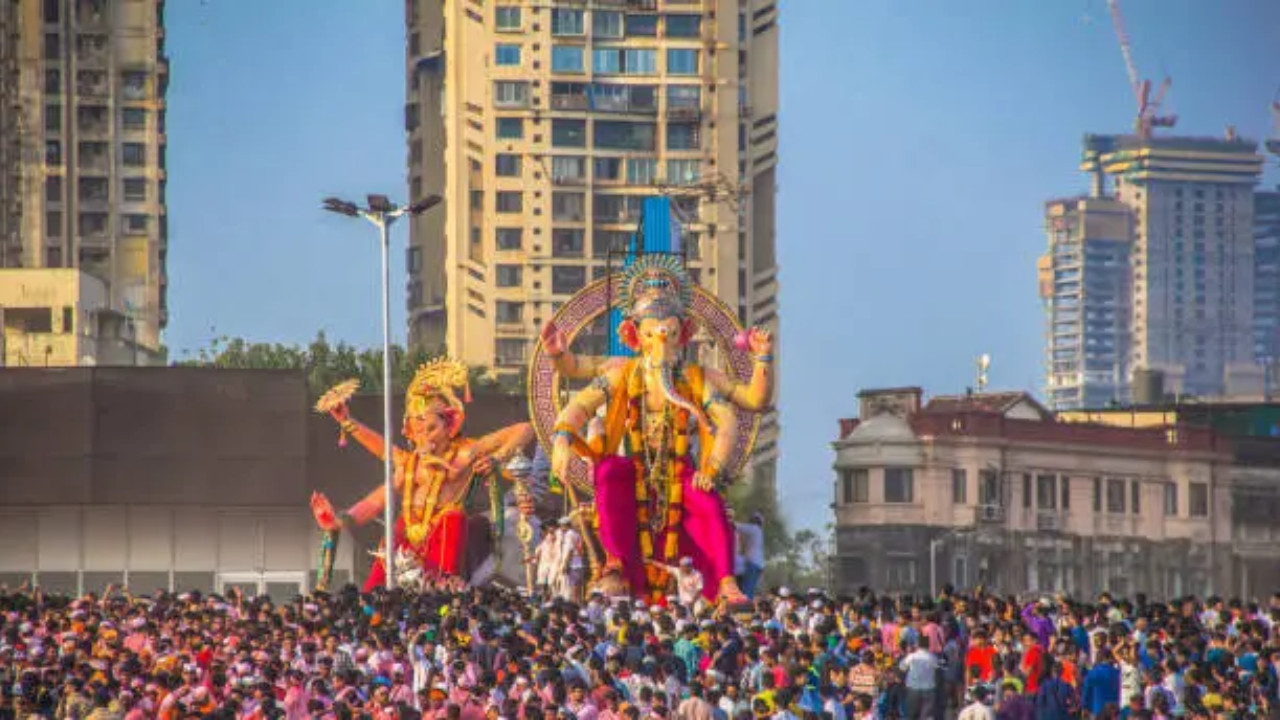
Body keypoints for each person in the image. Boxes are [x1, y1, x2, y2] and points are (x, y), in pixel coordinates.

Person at [310, 358, 533, 590]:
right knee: (393, 534)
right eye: (418, 431)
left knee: (452, 518)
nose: (425, 438)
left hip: (446, 540)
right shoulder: (408, 463)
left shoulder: (465, 453)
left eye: (431, 429)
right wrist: (338, 520)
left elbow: (524, 429)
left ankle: (445, 587)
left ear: (450, 425)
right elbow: (375, 500)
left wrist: (496, 459)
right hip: (408, 541)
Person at [735, 512, 766, 599]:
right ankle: (746, 606)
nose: (751, 521)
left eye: (753, 519)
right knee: (749, 589)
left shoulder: (754, 529)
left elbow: (736, 525)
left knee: (747, 590)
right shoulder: (758, 532)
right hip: (757, 564)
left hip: (753, 564)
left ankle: (745, 608)